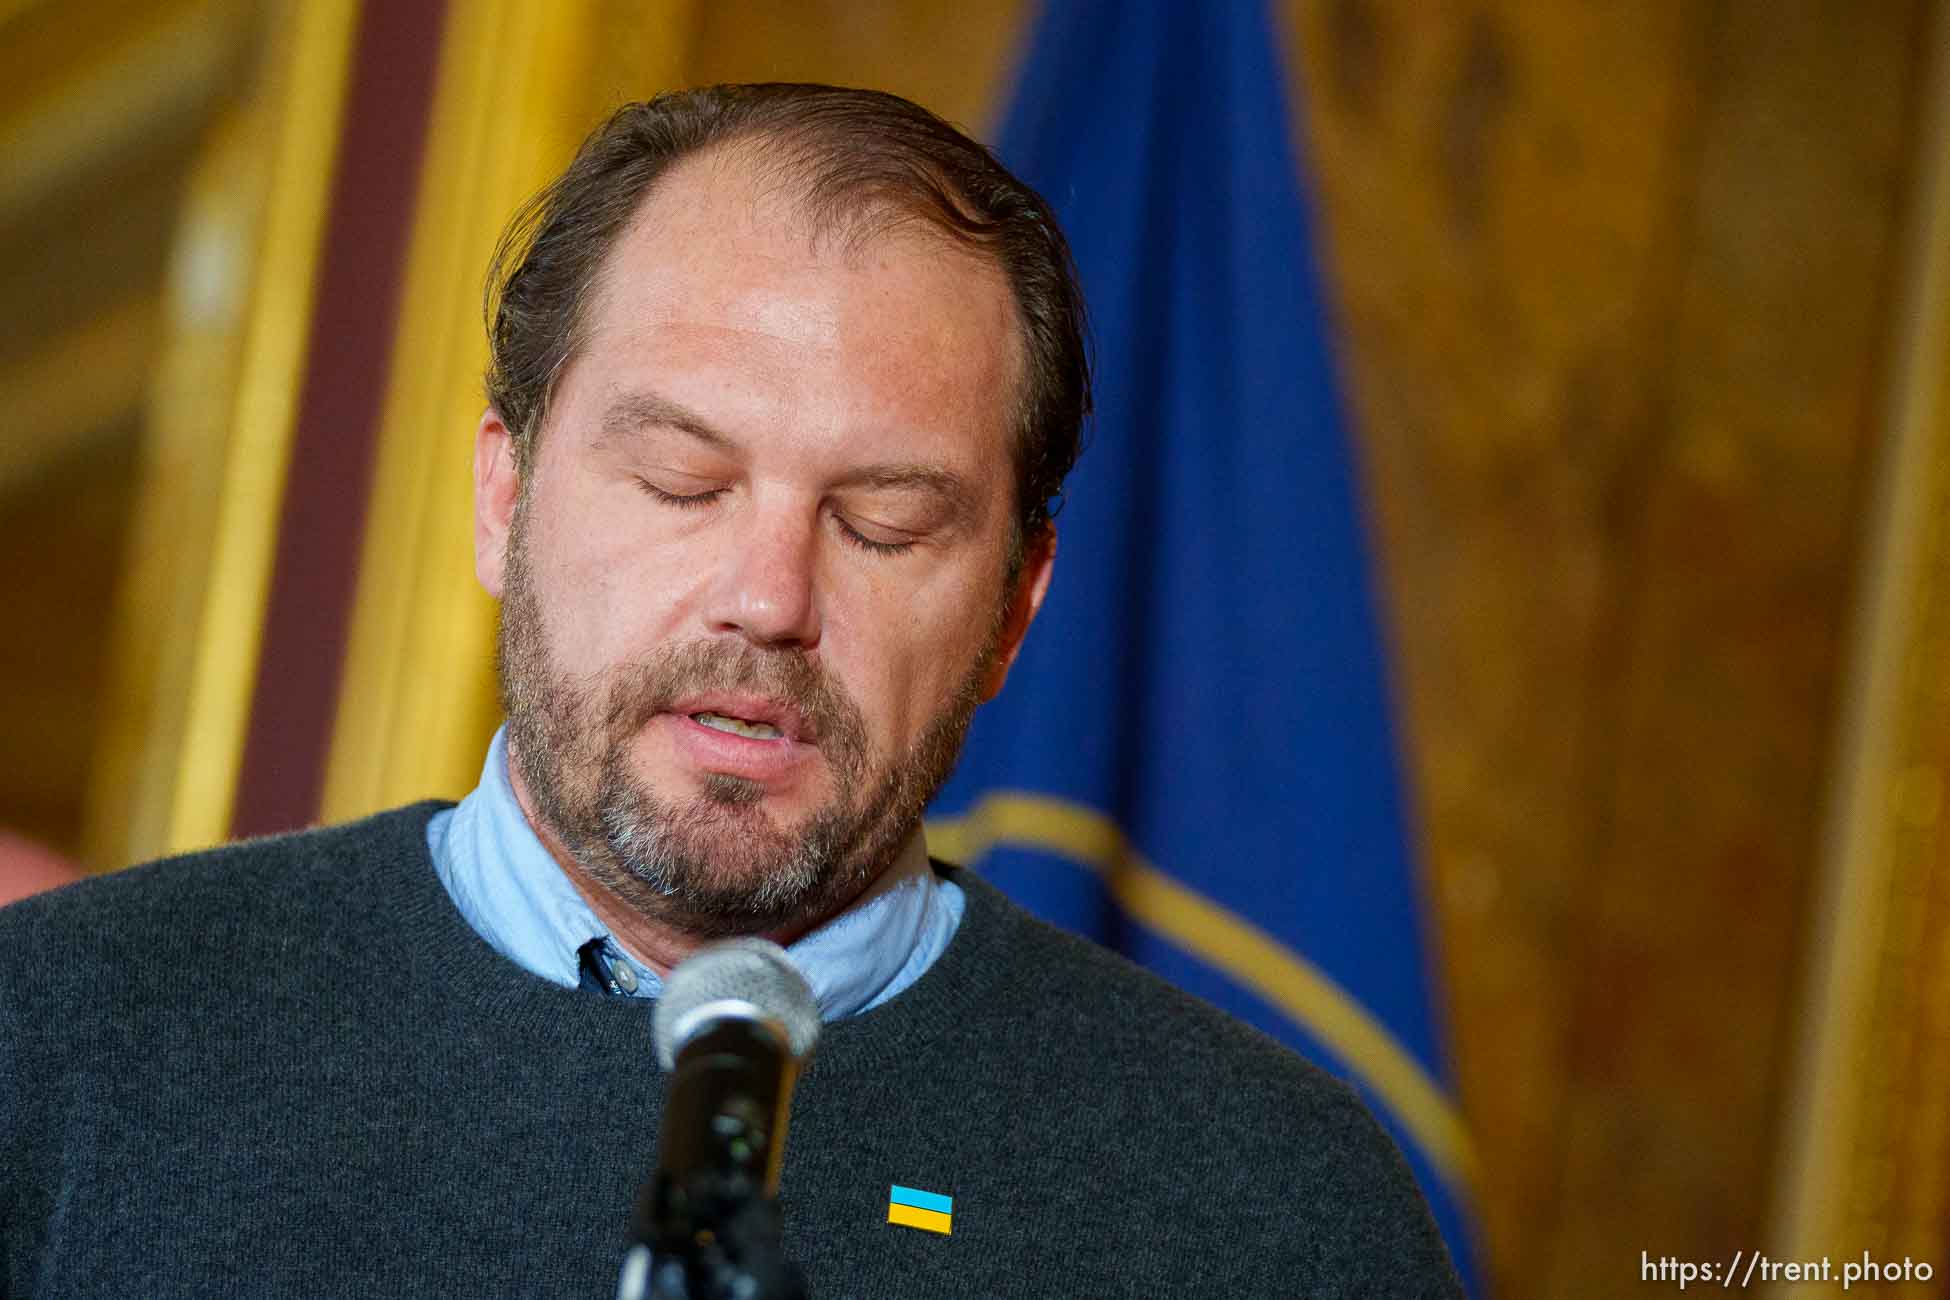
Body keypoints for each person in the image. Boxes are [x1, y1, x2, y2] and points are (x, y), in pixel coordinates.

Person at [0, 84, 1462, 1297]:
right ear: (501, 501)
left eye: (883, 525)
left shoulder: (1275, 1210)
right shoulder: (59, 1038)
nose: (768, 597)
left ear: (1016, 609)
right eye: (681, 482)